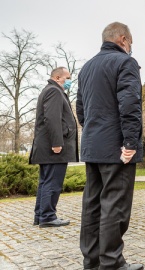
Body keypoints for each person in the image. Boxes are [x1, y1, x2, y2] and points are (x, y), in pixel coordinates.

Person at [76, 22, 143, 270]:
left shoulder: (87, 67)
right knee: (115, 206)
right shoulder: (125, 63)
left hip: (93, 146)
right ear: (123, 39)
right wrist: (129, 142)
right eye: (130, 44)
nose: (130, 48)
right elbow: (129, 104)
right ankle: (112, 263)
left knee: (92, 205)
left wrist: (94, 132)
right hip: (117, 149)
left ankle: (92, 261)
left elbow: (81, 110)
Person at [29, 67, 78, 228]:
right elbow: (52, 119)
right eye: (68, 77)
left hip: (47, 148)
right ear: (57, 77)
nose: (70, 80)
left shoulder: (49, 90)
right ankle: (48, 216)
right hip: (54, 148)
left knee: (45, 181)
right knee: (52, 182)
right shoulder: (54, 91)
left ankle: (41, 215)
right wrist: (57, 143)